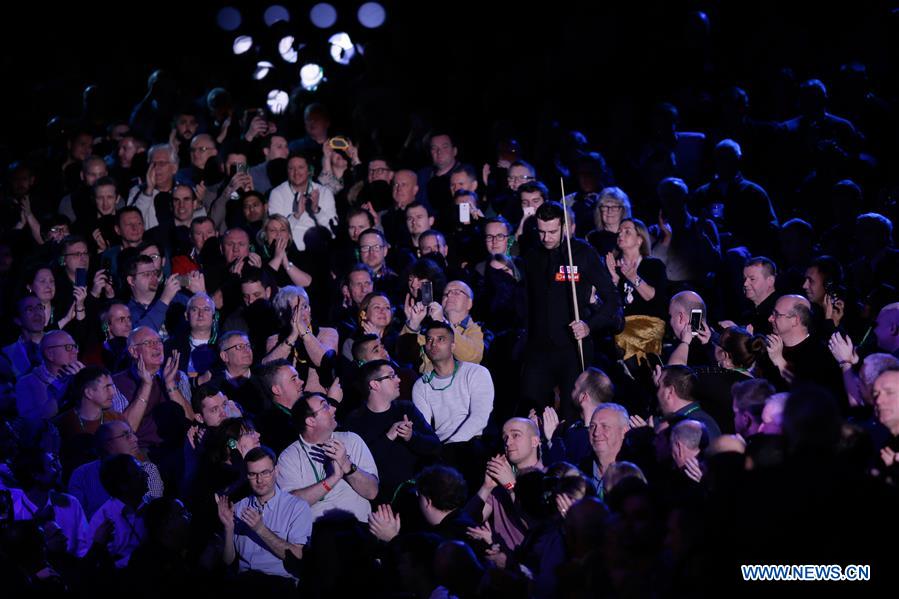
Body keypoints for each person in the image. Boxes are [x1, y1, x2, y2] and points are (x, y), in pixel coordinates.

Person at [520, 201, 622, 417]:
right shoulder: (532, 255)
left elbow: (612, 299)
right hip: (538, 348)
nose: (546, 238)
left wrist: (589, 325)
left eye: (552, 232)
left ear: (565, 227)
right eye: (542, 232)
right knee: (532, 410)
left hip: (573, 348)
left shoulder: (583, 253)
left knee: (572, 411)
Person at [344, 360, 440, 505]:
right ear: (374, 384)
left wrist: (411, 437)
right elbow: (359, 466)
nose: (398, 380)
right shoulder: (355, 421)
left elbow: (435, 446)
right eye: (391, 376)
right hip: (383, 500)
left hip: (419, 493)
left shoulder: (406, 409)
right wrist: (388, 438)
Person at [276, 392, 379, 522]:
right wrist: (332, 479)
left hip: (358, 526)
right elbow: (291, 506)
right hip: (318, 530)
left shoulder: (352, 440)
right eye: (325, 407)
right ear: (311, 421)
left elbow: (372, 492)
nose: (333, 409)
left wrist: (346, 464)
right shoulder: (289, 457)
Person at [216, 446, 312, 584]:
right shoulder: (239, 507)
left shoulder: (297, 507)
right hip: (245, 581)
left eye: (265, 472)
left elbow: (296, 558)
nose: (259, 480)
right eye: (253, 474)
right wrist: (229, 529)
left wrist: (261, 529)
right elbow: (227, 561)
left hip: (279, 582)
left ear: (276, 471)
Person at [606, 217, 669, 365]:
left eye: (627, 231)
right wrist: (614, 280)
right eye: (619, 232)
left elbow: (654, 298)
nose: (621, 234)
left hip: (648, 327)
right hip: (622, 328)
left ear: (640, 239)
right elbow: (611, 307)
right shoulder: (614, 268)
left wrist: (634, 277)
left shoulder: (654, 265)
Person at [267, 153, 337, 251]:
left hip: (321, 250)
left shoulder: (324, 192)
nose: (296, 172)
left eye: (300, 167)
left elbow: (332, 232)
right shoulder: (277, 193)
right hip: (290, 251)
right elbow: (276, 233)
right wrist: (297, 215)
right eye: (291, 168)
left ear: (309, 171)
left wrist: (317, 210)